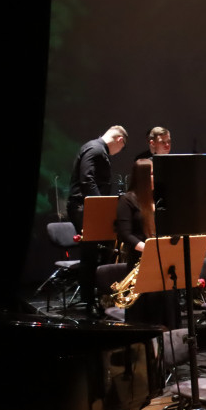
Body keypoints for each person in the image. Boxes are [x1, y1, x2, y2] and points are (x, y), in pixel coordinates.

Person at [68, 125, 128, 316]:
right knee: (90, 255)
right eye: (122, 148)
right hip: (84, 208)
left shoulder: (96, 149)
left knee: (101, 251)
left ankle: (99, 297)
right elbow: (87, 179)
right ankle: (89, 302)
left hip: (88, 208)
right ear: (120, 140)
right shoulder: (96, 149)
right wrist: (101, 207)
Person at [114, 159, 178, 327]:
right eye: (151, 173)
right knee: (145, 312)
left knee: (167, 307)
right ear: (142, 176)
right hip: (141, 262)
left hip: (163, 261)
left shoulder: (160, 199)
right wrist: (149, 250)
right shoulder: (127, 200)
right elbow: (125, 234)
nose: (155, 176)